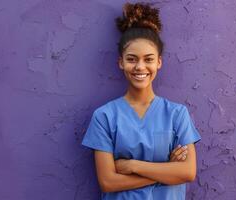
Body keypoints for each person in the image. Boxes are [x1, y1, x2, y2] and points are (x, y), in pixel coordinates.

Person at [81, 2, 202, 200]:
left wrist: (131, 166)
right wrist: (167, 170)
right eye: (131, 59)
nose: (140, 66)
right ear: (121, 62)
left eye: (148, 59)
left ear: (159, 62)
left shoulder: (177, 114)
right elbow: (108, 182)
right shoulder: (105, 117)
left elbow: (187, 172)